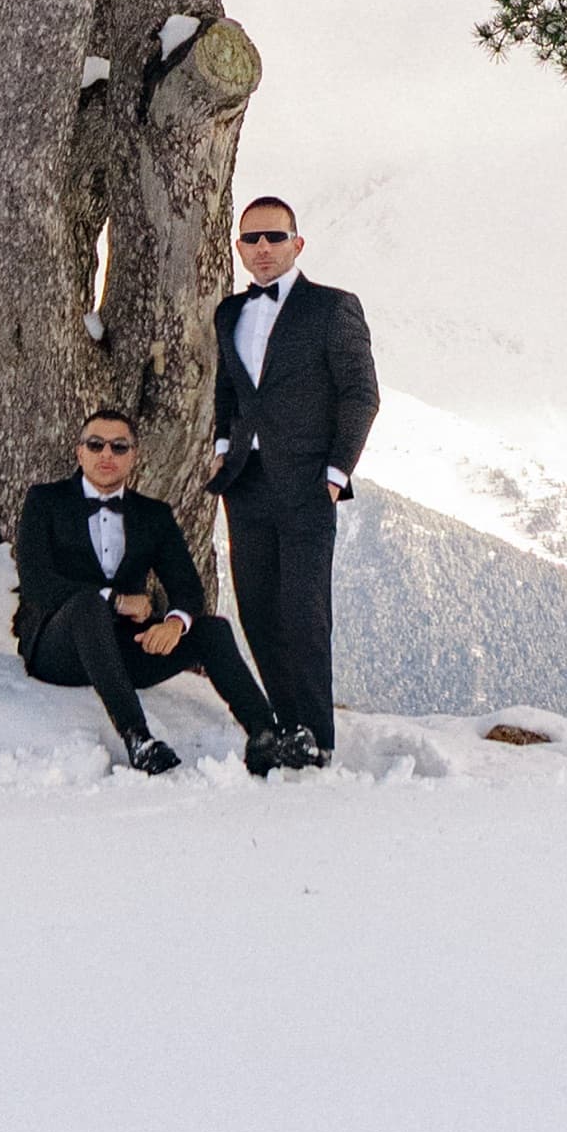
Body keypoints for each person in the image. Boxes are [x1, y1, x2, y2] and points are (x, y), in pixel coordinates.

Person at [11, 414, 295, 775]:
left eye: (119, 446)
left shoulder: (153, 515)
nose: (106, 454)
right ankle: (138, 739)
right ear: (79, 453)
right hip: (58, 651)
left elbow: (188, 587)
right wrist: (114, 599)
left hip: (127, 652)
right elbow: (36, 582)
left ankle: (265, 735)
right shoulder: (45, 501)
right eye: (95, 444)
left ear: (134, 456)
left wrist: (175, 623)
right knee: (88, 605)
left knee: (213, 630)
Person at [209, 188, 371, 769]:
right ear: (239, 247)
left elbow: (361, 395)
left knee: (304, 611)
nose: (262, 247)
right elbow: (229, 390)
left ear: (297, 244)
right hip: (245, 483)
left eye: (275, 236)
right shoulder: (229, 313)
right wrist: (222, 449)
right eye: (251, 238)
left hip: (308, 485)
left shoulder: (333, 308)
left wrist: (334, 473)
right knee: (255, 605)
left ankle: (317, 739)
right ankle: (284, 727)